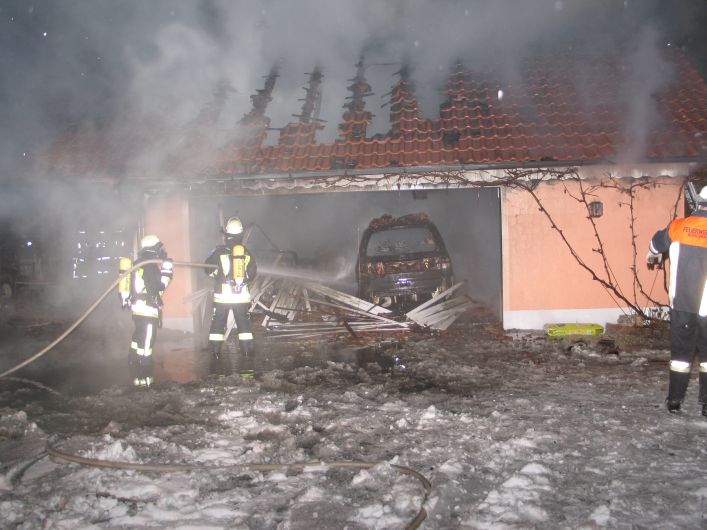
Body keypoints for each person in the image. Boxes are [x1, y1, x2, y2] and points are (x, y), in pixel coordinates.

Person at [647, 185, 707, 416]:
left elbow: (655, 245)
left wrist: (653, 254)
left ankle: (674, 401)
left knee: (681, 356)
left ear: (698, 203)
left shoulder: (678, 227)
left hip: (682, 303)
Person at [205, 217, 258, 380]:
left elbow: (207, 269)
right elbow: (252, 273)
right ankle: (247, 352)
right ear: (241, 235)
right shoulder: (246, 252)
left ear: (226, 234)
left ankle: (215, 353)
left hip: (223, 295)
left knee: (218, 322)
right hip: (240, 296)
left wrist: (218, 276)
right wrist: (242, 281)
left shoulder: (218, 252)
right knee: (243, 325)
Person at [120, 234, 173, 388]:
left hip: (138, 308)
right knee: (147, 340)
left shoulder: (138, 264)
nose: (161, 250)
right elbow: (159, 286)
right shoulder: (149, 266)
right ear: (153, 249)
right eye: (159, 248)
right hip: (147, 309)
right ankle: (145, 374)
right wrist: (168, 270)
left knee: (139, 335)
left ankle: (133, 362)